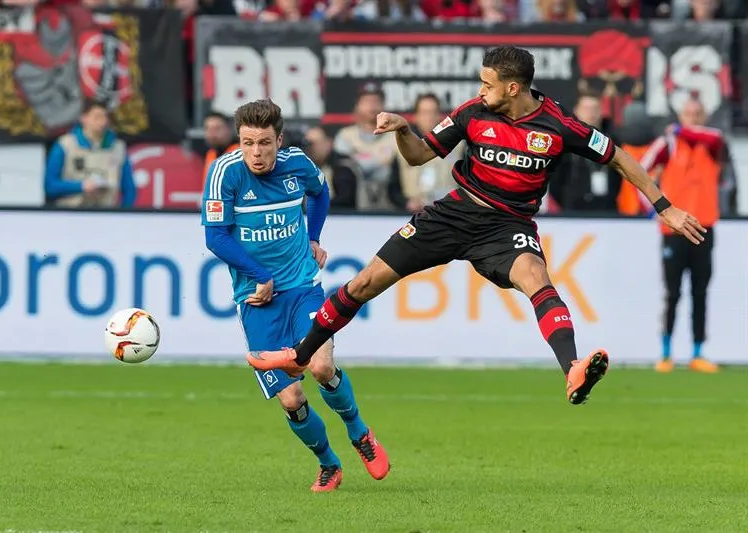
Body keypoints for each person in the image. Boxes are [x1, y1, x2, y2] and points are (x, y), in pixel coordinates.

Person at [247, 47, 706, 405]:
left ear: (512, 88)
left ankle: (571, 368)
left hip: (507, 225)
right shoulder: (472, 113)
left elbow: (620, 157)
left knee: (536, 278)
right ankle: (300, 357)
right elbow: (420, 155)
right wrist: (404, 128)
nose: (479, 88)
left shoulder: (560, 126)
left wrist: (664, 206)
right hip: (453, 213)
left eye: (487, 83)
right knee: (365, 282)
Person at [201, 99, 389, 492]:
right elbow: (215, 236)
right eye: (248, 142)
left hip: (303, 287)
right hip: (257, 301)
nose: (256, 152)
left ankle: (359, 434)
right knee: (291, 399)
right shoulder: (225, 172)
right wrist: (259, 275)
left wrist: (315, 236)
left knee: (321, 367)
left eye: (264, 143)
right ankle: (328, 464)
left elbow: (320, 195)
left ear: (278, 140)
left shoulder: (297, 163)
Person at [640, 98, 730, 373]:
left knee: (700, 292)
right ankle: (666, 353)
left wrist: (677, 129)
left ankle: (698, 352)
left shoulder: (711, 142)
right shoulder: (668, 144)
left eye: (697, 112)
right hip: (674, 230)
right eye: (688, 113)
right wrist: (653, 210)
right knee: (673, 292)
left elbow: (714, 138)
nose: (693, 116)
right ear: (682, 114)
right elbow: (640, 170)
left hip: (703, 228)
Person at [44, 100, 135, 208]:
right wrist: (81, 186)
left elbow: (129, 189)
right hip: (71, 214)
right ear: (84, 118)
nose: (102, 122)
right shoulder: (65, 145)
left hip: (106, 214)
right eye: (97, 117)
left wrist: (123, 215)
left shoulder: (118, 148)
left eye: (105, 117)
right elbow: (50, 186)